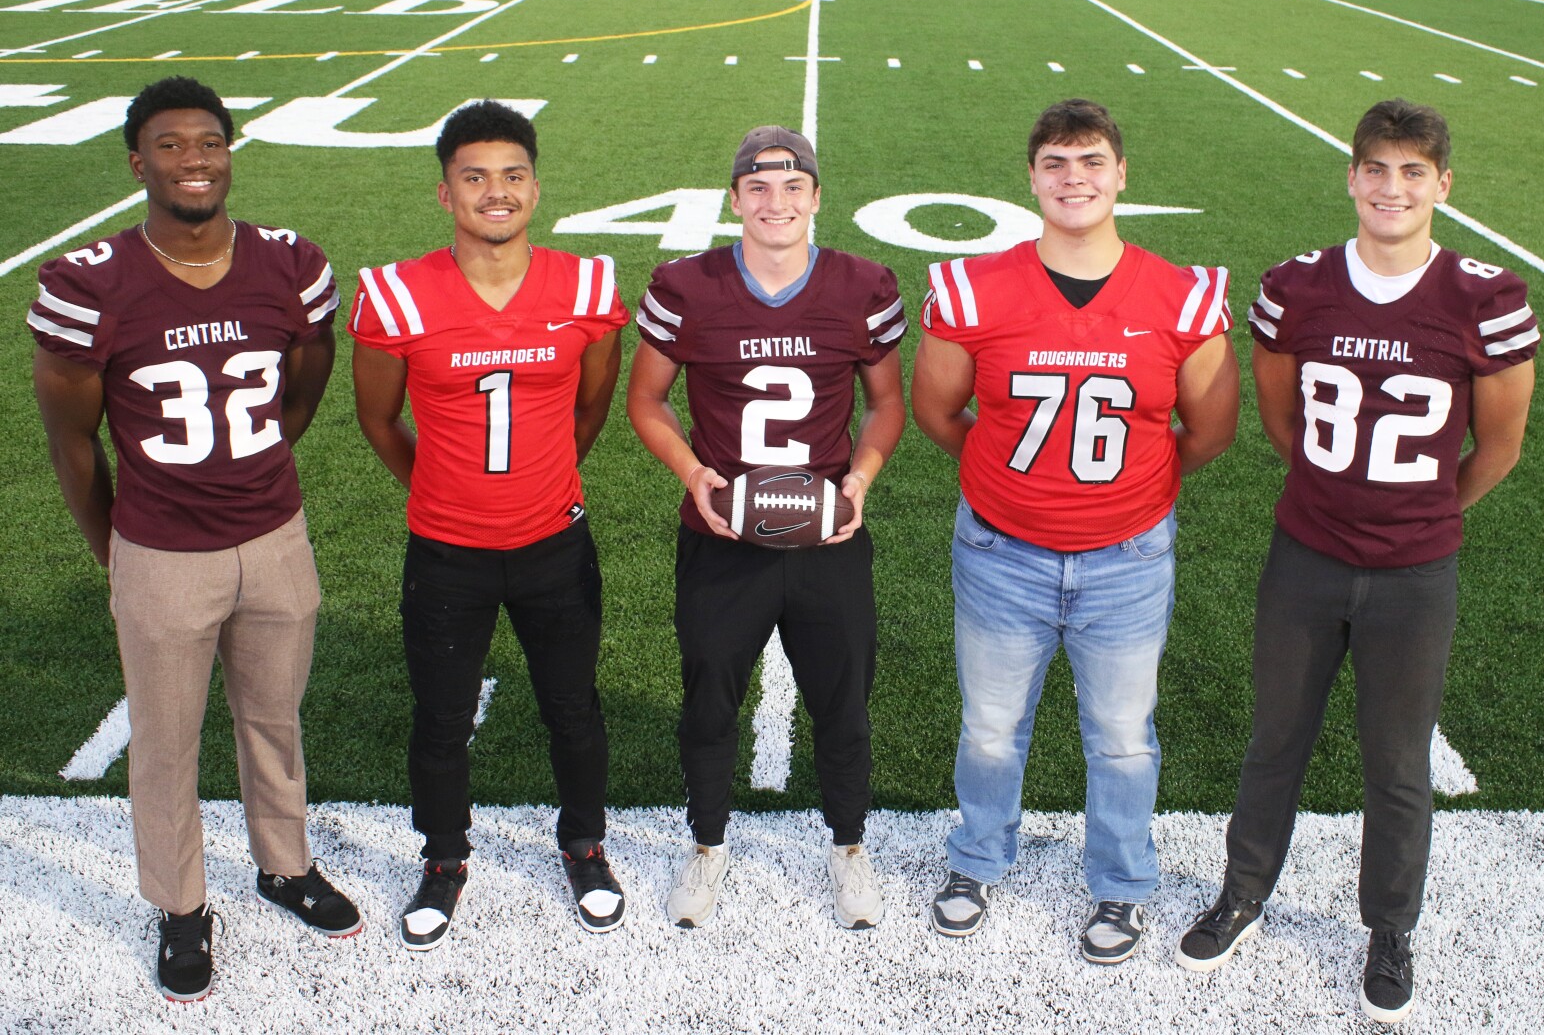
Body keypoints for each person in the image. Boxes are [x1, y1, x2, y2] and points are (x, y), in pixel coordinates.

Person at [1174, 99, 1538, 1023]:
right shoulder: (1297, 287)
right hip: (1306, 553)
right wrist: (1341, 503)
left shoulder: (1484, 298)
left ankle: (1388, 928)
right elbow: (1281, 419)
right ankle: (1243, 893)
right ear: (1350, 177)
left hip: (1415, 574)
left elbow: (1498, 446)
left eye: (1412, 171)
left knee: (1396, 762)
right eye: (1376, 168)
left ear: (1442, 185)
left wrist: (1422, 514)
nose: (1391, 187)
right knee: (1275, 740)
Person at [28, 76, 359, 1002]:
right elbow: (73, 440)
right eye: (170, 145)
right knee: (166, 741)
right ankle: (179, 906)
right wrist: (117, 545)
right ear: (138, 162)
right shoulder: (89, 281)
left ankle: (283, 865)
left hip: (276, 534)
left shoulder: (290, 263)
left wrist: (263, 461)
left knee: (273, 718)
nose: (194, 160)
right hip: (163, 548)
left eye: (208, 142)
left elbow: (310, 368)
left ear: (229, 153)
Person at [911, 98, 1239, 961]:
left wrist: (1125, 495)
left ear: (1120, 173)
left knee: (1124, 736)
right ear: (1030, 178)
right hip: (999, 551)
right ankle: (977, 860)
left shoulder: (1181, 295)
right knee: (988, 725)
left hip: (1127, 559)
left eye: (1090, 161)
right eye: (1055, 163)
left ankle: (1121, 885)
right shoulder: (971, 287)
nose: (1073, 178)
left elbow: (1209, 430)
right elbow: (939, 411)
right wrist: (1011, 486)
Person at [350, 101, 629, 948]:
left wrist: (538, 482)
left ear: (535, 189)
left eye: (511, 175)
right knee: (440, 718)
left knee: (572, 708)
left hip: (553, 541)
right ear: (445, 194)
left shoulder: (585, 284)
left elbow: (591, 407)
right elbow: (378, 420)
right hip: (446, 551)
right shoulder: (396, 293)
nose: (494, 192)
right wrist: (444, 486)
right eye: (474, 177)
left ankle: (583, 843)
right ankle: (442, 858)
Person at [626, 126, 906, 930]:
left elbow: (886, 401)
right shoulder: (685, 286)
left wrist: (857, 480)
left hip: (827, 538)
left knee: (842, 701)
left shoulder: (862, 285)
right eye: (757, 186)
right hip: (722, 537)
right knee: (709, 699)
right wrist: (692, 475)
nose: (774, 201)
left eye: (792, 186)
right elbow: (645, 400)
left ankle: (849, 846)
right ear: (734, 199)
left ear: (816, 197)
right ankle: (706, 844)